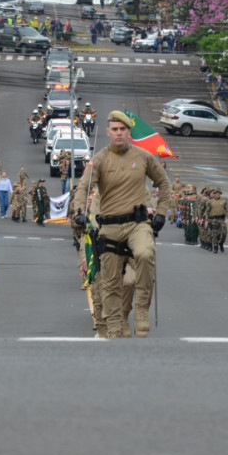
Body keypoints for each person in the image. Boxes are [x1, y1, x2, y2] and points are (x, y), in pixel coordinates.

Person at [74, 110, 171, 338]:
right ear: (109, 132)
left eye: (123, 129)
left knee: (146, 254)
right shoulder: (99, 159)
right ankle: (115, 328)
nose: (119, 133)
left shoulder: (144, 157)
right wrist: (79, 212)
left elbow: (164, 183)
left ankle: (141, 310)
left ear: (129, 132)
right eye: (115, 130)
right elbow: (83, 187)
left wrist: (162, 213)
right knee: (110, 283)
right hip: (110, 227)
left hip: (138, 224)